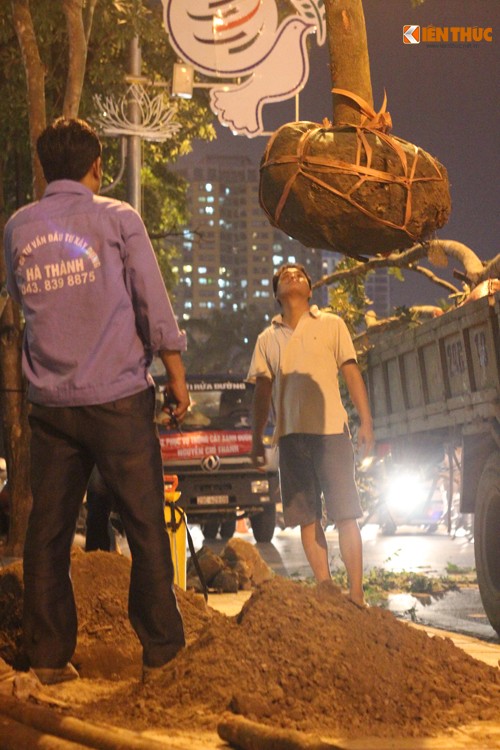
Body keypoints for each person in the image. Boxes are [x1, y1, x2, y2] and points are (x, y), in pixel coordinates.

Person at [3, 117, 190, 685]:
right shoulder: (117, 218)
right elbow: (151, 301)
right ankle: (161, 654)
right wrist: (176, 370)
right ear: (96, 166)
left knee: (49, 532)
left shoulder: (16, 229)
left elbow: (20, 306)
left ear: (43, 167)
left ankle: (50, 658)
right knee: (144, 525)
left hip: (52, 405)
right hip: (118, 397)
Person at [247, 263, 374, 607]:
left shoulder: (331, 324)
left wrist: (366, 421)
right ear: (276, 294)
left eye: (300, 273)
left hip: (331, 432)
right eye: (285, 275)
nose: (293, 275)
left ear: (310, 289)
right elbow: (262, 391)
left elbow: (350, 371)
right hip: (289, 437)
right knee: (306, 517)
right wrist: (257, 437)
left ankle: (357, 594)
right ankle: (327, 588)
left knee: (345, 513)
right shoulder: (267, 339)